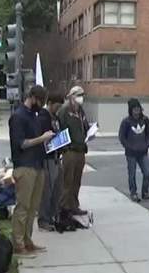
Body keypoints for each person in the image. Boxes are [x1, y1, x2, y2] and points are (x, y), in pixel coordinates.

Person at [9, 85, 55, 255]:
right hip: (24, 165)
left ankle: (27, 240)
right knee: (23, 206)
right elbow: (22, 143)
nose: (41, 105)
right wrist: (42, 138)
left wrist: (47, 140)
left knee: (33, 207)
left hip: (37, 164)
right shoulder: (18, 117)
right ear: (33, 97)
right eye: (40, 101)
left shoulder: (34, 117)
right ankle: (18, 243)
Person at [57, 86, 89, 216]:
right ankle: (64, 207)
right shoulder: (64, 111)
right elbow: (60, 129)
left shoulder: (80, 111)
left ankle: (74, 205)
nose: (81, 98)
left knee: (77, 180)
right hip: (69, 150)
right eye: (78, 95)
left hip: (81, 149)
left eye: (82, 95)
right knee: (67, 181)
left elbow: (85, 126)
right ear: (72, 96)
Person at [37, 93, 65, 231]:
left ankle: (54, 215)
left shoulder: (56, 117)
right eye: (57, 106)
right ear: (50, 103)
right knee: (47, 191)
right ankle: (44, 219)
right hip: (47, 158)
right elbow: (43, 138)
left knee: (57, 189)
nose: (58, 109)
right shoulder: (43, 117)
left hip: (56, 156)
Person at [119, 98, 149, 202]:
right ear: (131, 110)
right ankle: (133, 193)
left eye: (138, 109)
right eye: (134, 109)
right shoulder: (126, 122)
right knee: (132, 173)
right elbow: (122, 137)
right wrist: (129, 147)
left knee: (147, 172)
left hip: (143, 152)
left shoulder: (145, 120)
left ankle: (145, 192)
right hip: (131, 153)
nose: (137, 112)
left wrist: (147, 145)